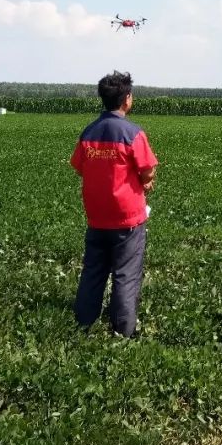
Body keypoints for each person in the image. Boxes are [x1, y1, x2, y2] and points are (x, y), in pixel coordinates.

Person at [70, 71, 158, 337]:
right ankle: (123, 331)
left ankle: (83, 323)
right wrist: (145, 182)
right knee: (126, 274)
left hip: (97, 215)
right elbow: (148, 170)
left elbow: (80, 167)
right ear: (127, 99)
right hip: (127, 218)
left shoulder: (89, 132)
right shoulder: (133, 133)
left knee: (93, 271)